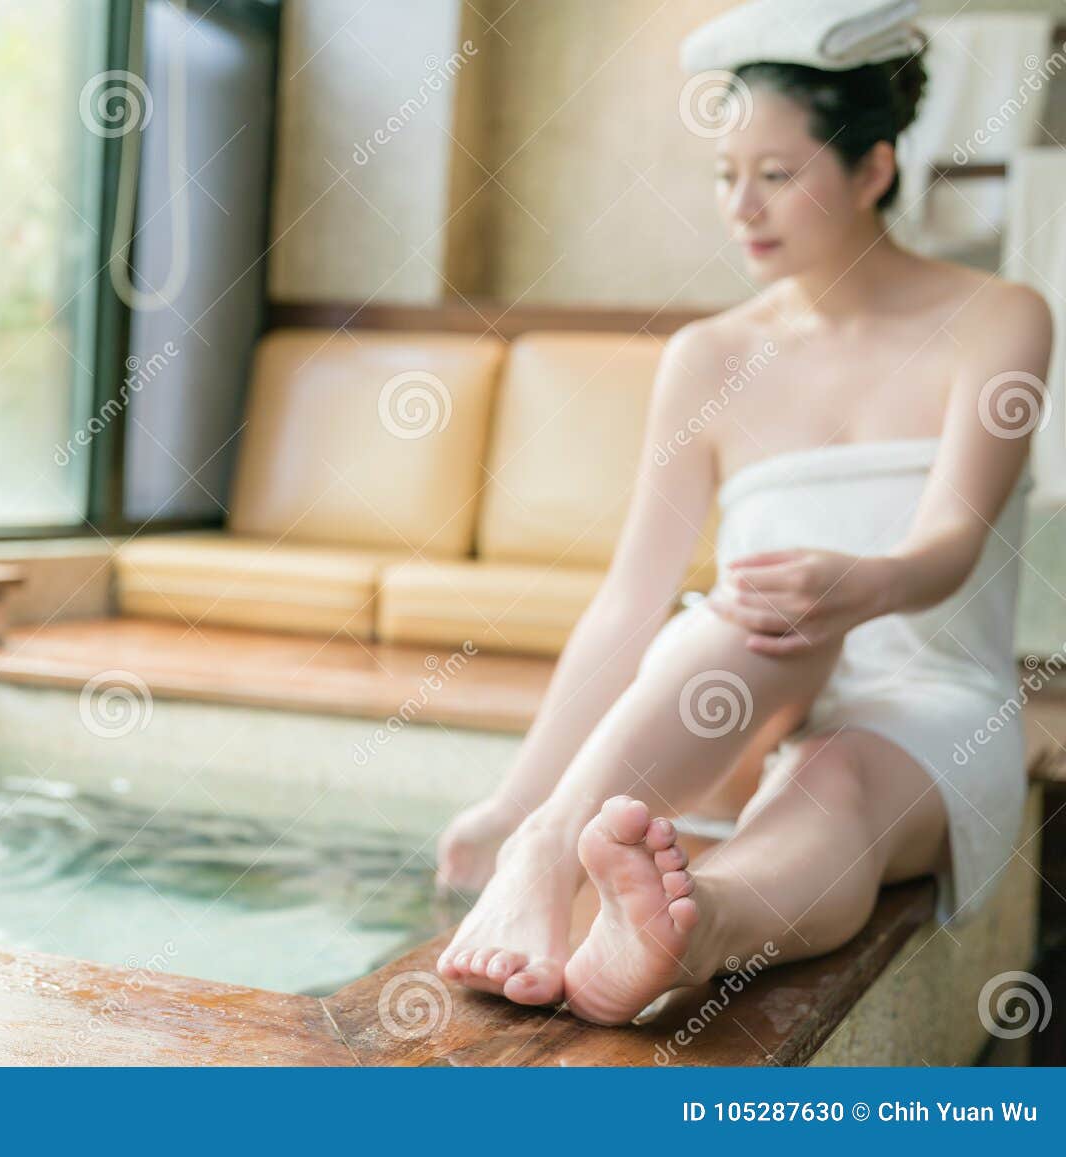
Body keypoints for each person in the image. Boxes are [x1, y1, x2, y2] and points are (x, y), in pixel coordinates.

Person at [433, 5, 1054, 1026]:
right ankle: (546, 844)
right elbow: (631, 602)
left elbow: (951, 541)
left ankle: (692, 924)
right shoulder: (708, 358)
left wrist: (866, 585)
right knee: (738, 615)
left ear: (872, 170)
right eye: (725, 174)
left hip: (929, 699)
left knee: (832, 769)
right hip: (739, 691)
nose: (741, 206)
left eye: (776, 173)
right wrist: (511, 800)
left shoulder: (997, 316)